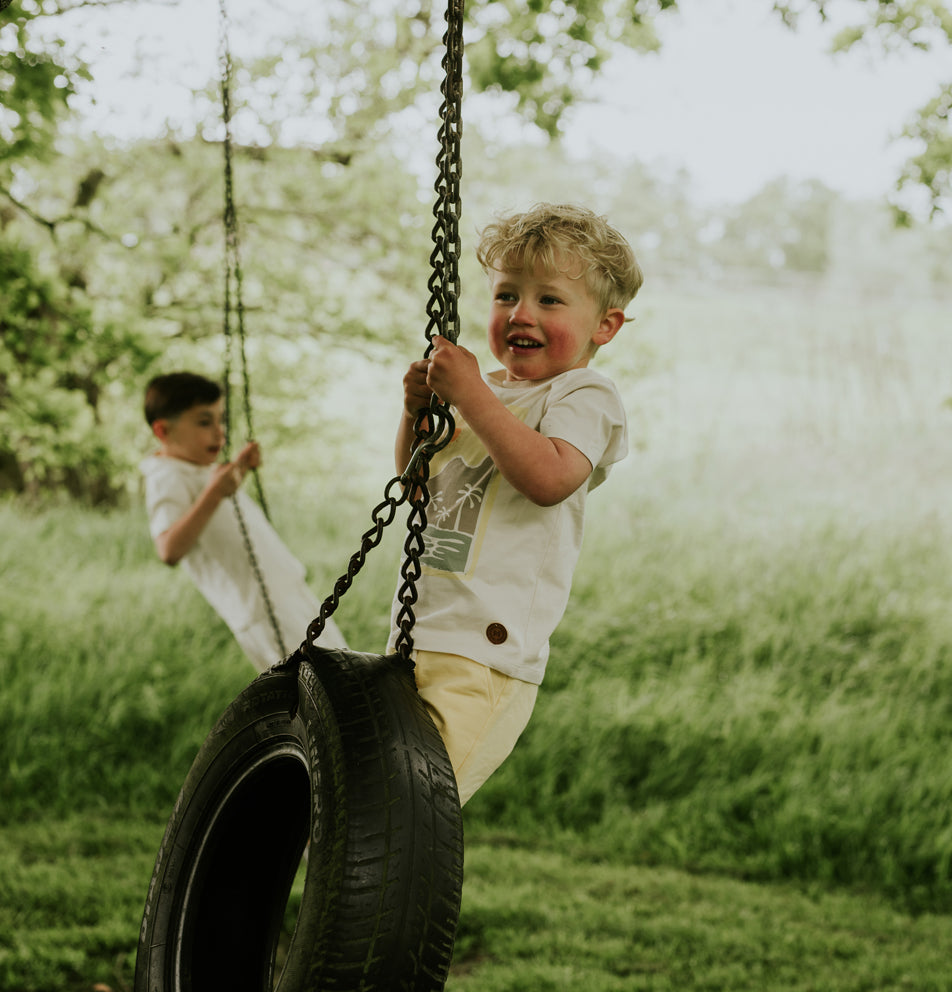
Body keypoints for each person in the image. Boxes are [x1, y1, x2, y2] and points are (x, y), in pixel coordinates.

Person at [391, 202, 643, 805]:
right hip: (417, 635)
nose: (520, 314)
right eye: (506, 296)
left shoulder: (585, 395)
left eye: (549, 300)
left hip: (485, 659)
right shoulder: (488, 393)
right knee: (373, 800)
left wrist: (472, 394)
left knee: (414, 812)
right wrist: (415, 412)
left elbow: (549, 477)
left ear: (604, 327)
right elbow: (415, 483)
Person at [141, 371, 347, 671]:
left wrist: (240, 469)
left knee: (345, 672)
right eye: (203, 421)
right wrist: (214, 492)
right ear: (163, 431)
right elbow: (168, 549)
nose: (218, 432)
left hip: (286, 591)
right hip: (260, 609)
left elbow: (216, 511)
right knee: (317, 691)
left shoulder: (196, 467)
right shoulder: (165, 477)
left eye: (220, 419)